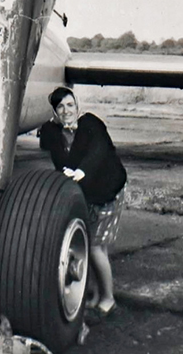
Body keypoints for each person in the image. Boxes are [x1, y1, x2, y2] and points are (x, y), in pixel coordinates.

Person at [39, 86, 127, 316]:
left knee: (97, 247)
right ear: (55, 112)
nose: (66, 110)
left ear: (77, 106)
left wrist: (82, 171)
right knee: (89, 243)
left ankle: (108, 299)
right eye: (60, 106)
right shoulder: (53, 132)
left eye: (70, 105)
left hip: (108, 190)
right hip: (86, 192)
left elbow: (98, 151)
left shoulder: (90, 124)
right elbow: (57, 159)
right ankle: (96, 293)